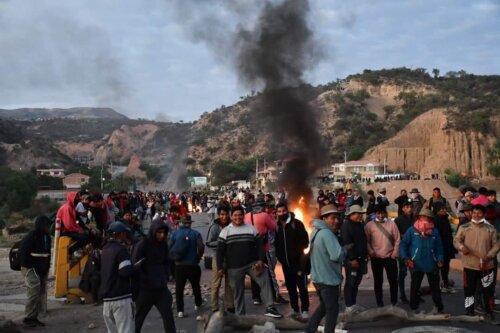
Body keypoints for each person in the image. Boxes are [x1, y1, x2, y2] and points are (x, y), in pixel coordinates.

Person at [216, 206, 282, 318]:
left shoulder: (251, 228)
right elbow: (220, 252)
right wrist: (220, 268)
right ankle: (241, 317)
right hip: (234, 267)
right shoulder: (225, 231)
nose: (238, 217)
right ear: (231, 217)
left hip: (251, 264)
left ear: (244, 215)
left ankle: (270, 307)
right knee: (238, 292)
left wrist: (260, 261)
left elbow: (260, 246)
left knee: (264, 277)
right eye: (235, 215)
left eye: (240, 215)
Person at [305, 204, 347, 333]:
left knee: (324, 306)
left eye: (337, 218)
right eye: (333, 218)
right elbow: (337, 255)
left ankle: (310, 329)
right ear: (324, 219)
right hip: (328, 280)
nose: (336, 221)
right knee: (332, 310)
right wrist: (344, 250)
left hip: (318, 278)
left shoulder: (315, 231)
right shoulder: (327, 233)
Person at [454, 205, 499, 323]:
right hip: (470, 266)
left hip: (487, 266)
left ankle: (489, 313)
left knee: (488, 291)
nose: (476, 215)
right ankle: (469, 312)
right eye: (474, 213)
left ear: (484, 215)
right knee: (469, 290)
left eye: (479, 213)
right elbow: (456, 240)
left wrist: (489, 255)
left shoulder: (491, 229)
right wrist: (462, 247)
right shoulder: (464, 227)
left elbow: (496, 245)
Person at [133, 218, 176, 332]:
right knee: (139, 319)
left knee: (168, 316)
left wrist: (166, 274)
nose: (162, 235)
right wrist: (143, 280)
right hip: (145, 290)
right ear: (153, 231)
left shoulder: (164, 245)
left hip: (161, 288)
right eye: (159, 232)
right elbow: (136, 265)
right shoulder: (143, 244)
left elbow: (167, 261)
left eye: (164, 233)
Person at [400, 208, 444, 314]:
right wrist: (405, 258)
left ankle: (438, 308)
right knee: (415, 287)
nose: (426, 218)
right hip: (415, 263)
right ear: (419, 217)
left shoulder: (435, 232)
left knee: (435, 288)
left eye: (428, 217)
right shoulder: (411, 230)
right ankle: (414, 308)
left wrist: (440, 259)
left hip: (432, 263)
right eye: (423, 216)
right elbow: (403, 244)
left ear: (431, 219)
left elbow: (439, 247)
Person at [274, 202, 310, 319]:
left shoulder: (297, 224)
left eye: (283, 211)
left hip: (299, 263)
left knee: (302, 287)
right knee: (291, 288)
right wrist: (281, 258)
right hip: (286, 264)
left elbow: (305, 241)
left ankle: (305, 310)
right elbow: (277, 244)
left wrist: (296, 254)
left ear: (287, 211)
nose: (281, 213)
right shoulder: (277, 227)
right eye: (279, 212)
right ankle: (295, 309)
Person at [100, 222, 137, 333]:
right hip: (121, 299)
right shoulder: (120, 250)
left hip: (107, 300)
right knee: (126, 330)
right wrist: (135, 267)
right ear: (120, 234)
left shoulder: (105, 249)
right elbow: (124, 272)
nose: (125, 235)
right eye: (124, 233)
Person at [243, 197, 282, 305]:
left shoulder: (247, 216)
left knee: (255, 271)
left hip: (251, 249)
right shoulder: (264, 216)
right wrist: (271, 217)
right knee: (270, 272)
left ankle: (256, 297)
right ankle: (275, 296)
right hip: (264, 249)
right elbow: (274, 227)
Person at [168, 215, 205, 318]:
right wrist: (198, 257)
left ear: (180, 223)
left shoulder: (174, 234)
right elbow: (201, 247)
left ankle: (180, 310)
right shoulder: (196, 234)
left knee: (179, 288)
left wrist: (173, 258)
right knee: (196, 286)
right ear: (190, 223)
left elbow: (168, 247)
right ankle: (198, 304)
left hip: (179, 266)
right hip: (193, 265)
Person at [19, 216, 52, 328]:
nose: (48, 228)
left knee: (40, 293)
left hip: (42, 269)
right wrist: (32, 267)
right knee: (34, 292)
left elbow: (47, 254)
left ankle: (34, 317)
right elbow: (23, 255)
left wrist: (45, 268)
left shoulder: (47, 237)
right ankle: (28, 318)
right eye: (46, 225)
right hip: (30, 268)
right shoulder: (31, 237)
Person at [365, 205, 401, 307]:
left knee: (393, 281)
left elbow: (397, 239)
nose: (380, 215)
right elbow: (366, 241)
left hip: (390, 257)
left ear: (385, 213)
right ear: (375, 214)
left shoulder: (392, 224)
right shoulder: (369, 225)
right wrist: (371, 252)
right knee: (378, 281)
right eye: (378, 213)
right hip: (376, 258)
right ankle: (379, 303)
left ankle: (394, 302)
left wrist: (395, 253)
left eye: (382, 213)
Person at [206, 204, 234, 313]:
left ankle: (230, 305)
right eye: (222, 214)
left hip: (230, 259)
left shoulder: (232, 225)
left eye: (226, 214)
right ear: (218, 214)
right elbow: (208, 243)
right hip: (217, 259)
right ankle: (214, 307)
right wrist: (221, 243)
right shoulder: (214, 227)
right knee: (216, 284)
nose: (224, 217)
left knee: (229, 284)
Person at [341, 204, 368, 313]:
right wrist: (352, 259)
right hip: (353, 260)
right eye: (358, 214)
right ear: (351, 214)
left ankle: (353, 303)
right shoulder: (346, 225)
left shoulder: (359, 224)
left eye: (361, 214)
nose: (360, 216)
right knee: (350, 283)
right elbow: (346, 243)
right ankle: (349, 306)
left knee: (356, 283)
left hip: (361, 259)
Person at [433, 202, 457, 293]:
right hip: (439, 247)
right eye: (441, 209)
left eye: (444, 209)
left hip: (447, 246)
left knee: (446, 267)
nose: (443, 210)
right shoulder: (435, 220)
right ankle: (439, 286)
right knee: (439, 266)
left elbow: (449, 232)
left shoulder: (446, 219)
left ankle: (446, 284)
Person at [394, 200, 414, 303]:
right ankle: (402, 294)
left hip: (414, 250)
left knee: (414, 273)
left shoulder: (415, 219)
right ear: (403, 208)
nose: (409, 209)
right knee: (402, 272)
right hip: (403, 250)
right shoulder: (398, 220)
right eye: (407, 207)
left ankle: (414, 295)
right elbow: (395, 235)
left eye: (411, 207)